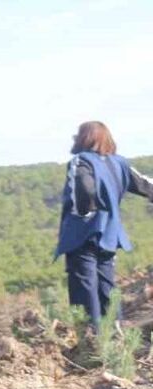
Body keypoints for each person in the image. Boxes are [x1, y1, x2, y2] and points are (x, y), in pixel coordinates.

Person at [56, 120, 153, 329]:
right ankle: (115, 333)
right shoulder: (120, 163)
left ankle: (93, 339)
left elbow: (84, 187)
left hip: (81, 235)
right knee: (106, 286)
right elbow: (147, 185)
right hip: (110, 234)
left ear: (85, 138)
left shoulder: (80, 161)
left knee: (84, 287)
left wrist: (86, 210)